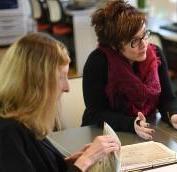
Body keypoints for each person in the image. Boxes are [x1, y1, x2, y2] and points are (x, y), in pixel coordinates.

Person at [0, 33, 120, 171]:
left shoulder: (25, 120)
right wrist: (86, 160)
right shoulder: (6, 134)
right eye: (61, 77)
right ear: (37, 82)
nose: (67, 87)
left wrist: (71, 162)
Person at [81, 0, 177, 140]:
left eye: (144, 35)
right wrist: (131, 124)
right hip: (104, 136)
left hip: (146, 133)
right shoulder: (98, 62)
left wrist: (173, 115)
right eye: (134, 41)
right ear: (115, 45)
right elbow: (96, 113)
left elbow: (168, 98)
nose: (144, 44)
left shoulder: (155, 54)